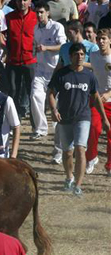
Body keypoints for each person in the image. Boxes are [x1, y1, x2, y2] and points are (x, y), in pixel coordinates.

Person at [47, 43, 110, 196]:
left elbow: (95, 98)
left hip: (83, 117)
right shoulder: (61, 74)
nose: (80, 57)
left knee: (80, 149)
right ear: (70, 56)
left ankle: (78, 184)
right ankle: (69, 177)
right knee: (68, 152)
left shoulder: (89, 75)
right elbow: (50, 93)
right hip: (65, 118)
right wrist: (54, 110)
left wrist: (104, 119)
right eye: (77, 54)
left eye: (82, 54)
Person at [31, 2, 66, 140]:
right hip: (40, 69)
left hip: (55, 70)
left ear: (48, 13)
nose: (39, 15)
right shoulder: (36, 28)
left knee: (56, 101)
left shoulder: (57, 27)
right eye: (37, 13)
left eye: (41, 12)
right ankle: (41, 129)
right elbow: (36, 45)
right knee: (35, 96)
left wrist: (46, 48)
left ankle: (59, 128)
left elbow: (63, 46)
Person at [5, 0, 37, 120]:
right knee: (13, 91)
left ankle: (35, 123)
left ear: (30, 1)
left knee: (32, 92)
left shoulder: (35, 17)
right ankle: (14, 120)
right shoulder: (9, 17)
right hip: (13, 60)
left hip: (31, 60)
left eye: (25, 0)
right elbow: (2, 35)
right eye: (19, 0)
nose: (22, 3)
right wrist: (5, 49)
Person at [86, 28, 111, 176]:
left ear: (110, 41)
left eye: (104, 39)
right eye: (99, 39)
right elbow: (94, 67)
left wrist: (108, 93)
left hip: (109, 101)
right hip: (95, 100)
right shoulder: (94, 55)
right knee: (93, 129)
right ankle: (91, 158)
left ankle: (109, 166)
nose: (101, 41)